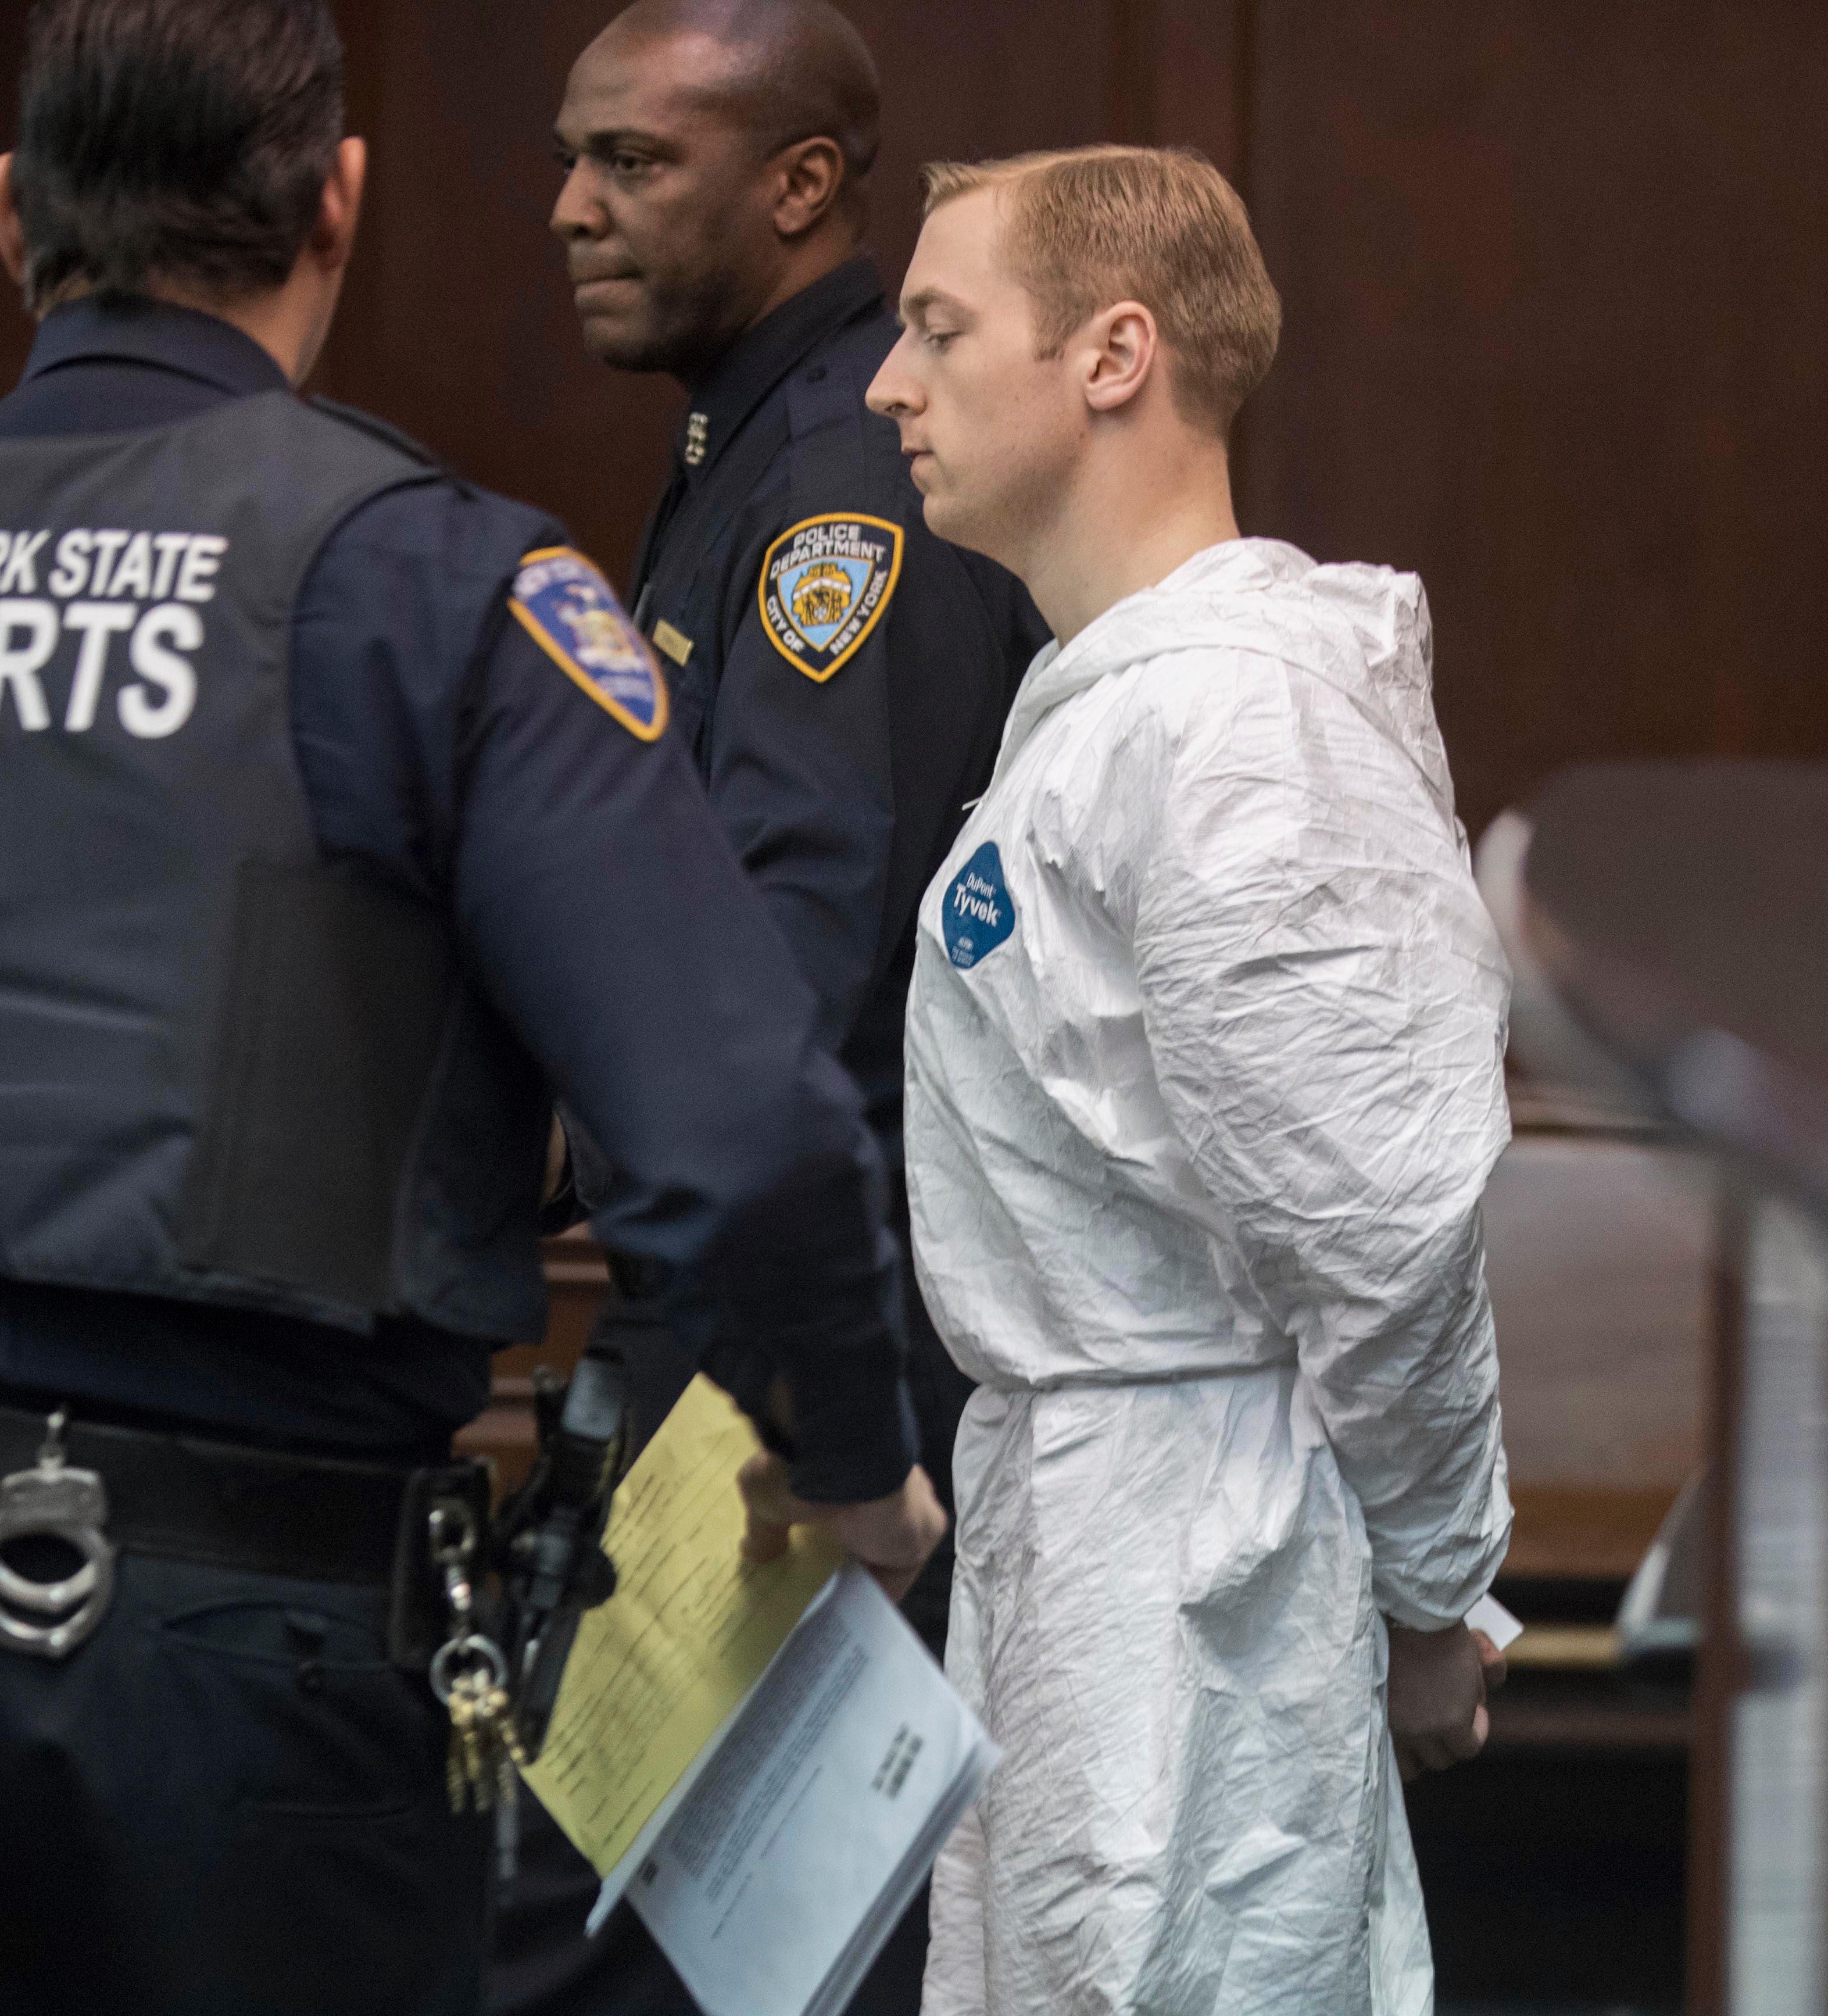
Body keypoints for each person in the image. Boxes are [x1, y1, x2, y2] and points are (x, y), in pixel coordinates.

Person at [0, 3, 939, 2011]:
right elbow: (739, 1128)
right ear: (336, 202)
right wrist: (850, 1454)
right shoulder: (434, 583)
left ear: (12, 218)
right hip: (237, 1637)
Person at [865, 145, 1515, 2015]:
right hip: (1093, 1531)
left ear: (1113, 354)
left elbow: (1380, 1234)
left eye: (935, 327)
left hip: (1193, 1569)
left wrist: (1432, 1591)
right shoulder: (1120, 702)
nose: (882, 385)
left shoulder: (1242, 731)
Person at [495, 6, 1043, 2008]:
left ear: (802, 182)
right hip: (759, 1335)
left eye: (634, 163)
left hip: (781, 1375)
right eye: (573, 157)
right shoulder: (757, 442)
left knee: (669, 1960)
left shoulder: (835, 478)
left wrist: (773, 1391)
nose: (570, 208)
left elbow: (790, 969)